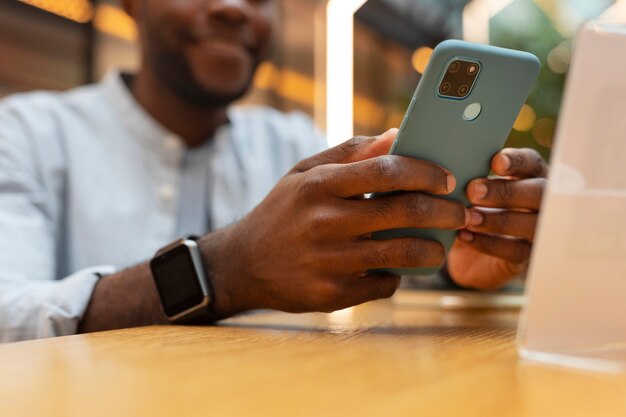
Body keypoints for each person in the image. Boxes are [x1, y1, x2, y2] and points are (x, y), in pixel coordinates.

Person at [0, 0, 547, 342]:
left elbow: (376, 266)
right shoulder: (22, 134)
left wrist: (457, 260)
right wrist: (224, 270)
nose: (236, 8)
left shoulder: (293, 142)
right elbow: (9, 316)